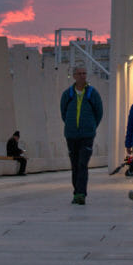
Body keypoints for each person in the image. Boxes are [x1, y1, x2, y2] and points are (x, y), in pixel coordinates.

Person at [60, 66, 103, 205]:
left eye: (84, 73)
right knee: (75, 165)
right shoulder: (68, 94)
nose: (82, 76)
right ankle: (77, 192)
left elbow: (99, 113)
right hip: (71, 135)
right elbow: (64, 113)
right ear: (74, 76)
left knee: (82, 164)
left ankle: (81, 194)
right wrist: (71, 126)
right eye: (79, 74)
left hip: (87, 135)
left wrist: (91, 127)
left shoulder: (92, 93)